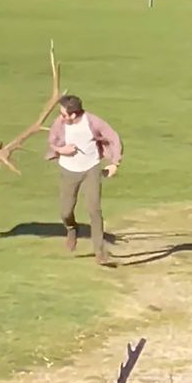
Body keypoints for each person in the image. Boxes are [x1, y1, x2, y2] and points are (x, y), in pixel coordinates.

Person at [45, 94, 124, 266]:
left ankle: (99, 252)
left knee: (94, 209)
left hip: (91, 168)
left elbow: (113, 137)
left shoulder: (93, 122)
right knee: (65, 212)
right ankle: (72, 228)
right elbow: (52, 142)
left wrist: (114, 163)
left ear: (74, 115)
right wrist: (61, 150)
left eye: (64, 114)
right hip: (68, 170)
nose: (61, 117)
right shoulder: (59, 124)